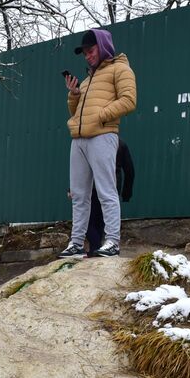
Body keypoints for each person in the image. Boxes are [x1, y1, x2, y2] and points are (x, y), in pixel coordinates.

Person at [60, 28, 137, 259]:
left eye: (90, 51)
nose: (87, 56)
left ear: (102, 47)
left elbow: (129, 100)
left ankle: (112, 241)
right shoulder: (86, 79)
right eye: (84, 53)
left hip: (103, 136)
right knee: (79, 194)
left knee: (106, 191)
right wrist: (74, 94)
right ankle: (76, 243)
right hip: (79, 139)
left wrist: (102, 115)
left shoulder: (120, 69)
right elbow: (76, 112)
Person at [86, 139, 136, 256]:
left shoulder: (93, 142)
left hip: (94, 185)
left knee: (89, 220)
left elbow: (84, 168)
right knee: (100, 220)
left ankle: (96, 248)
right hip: (111, 186)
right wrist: (126, 192)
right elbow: (129, 170)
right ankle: (96, 249)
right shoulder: (120, 143)